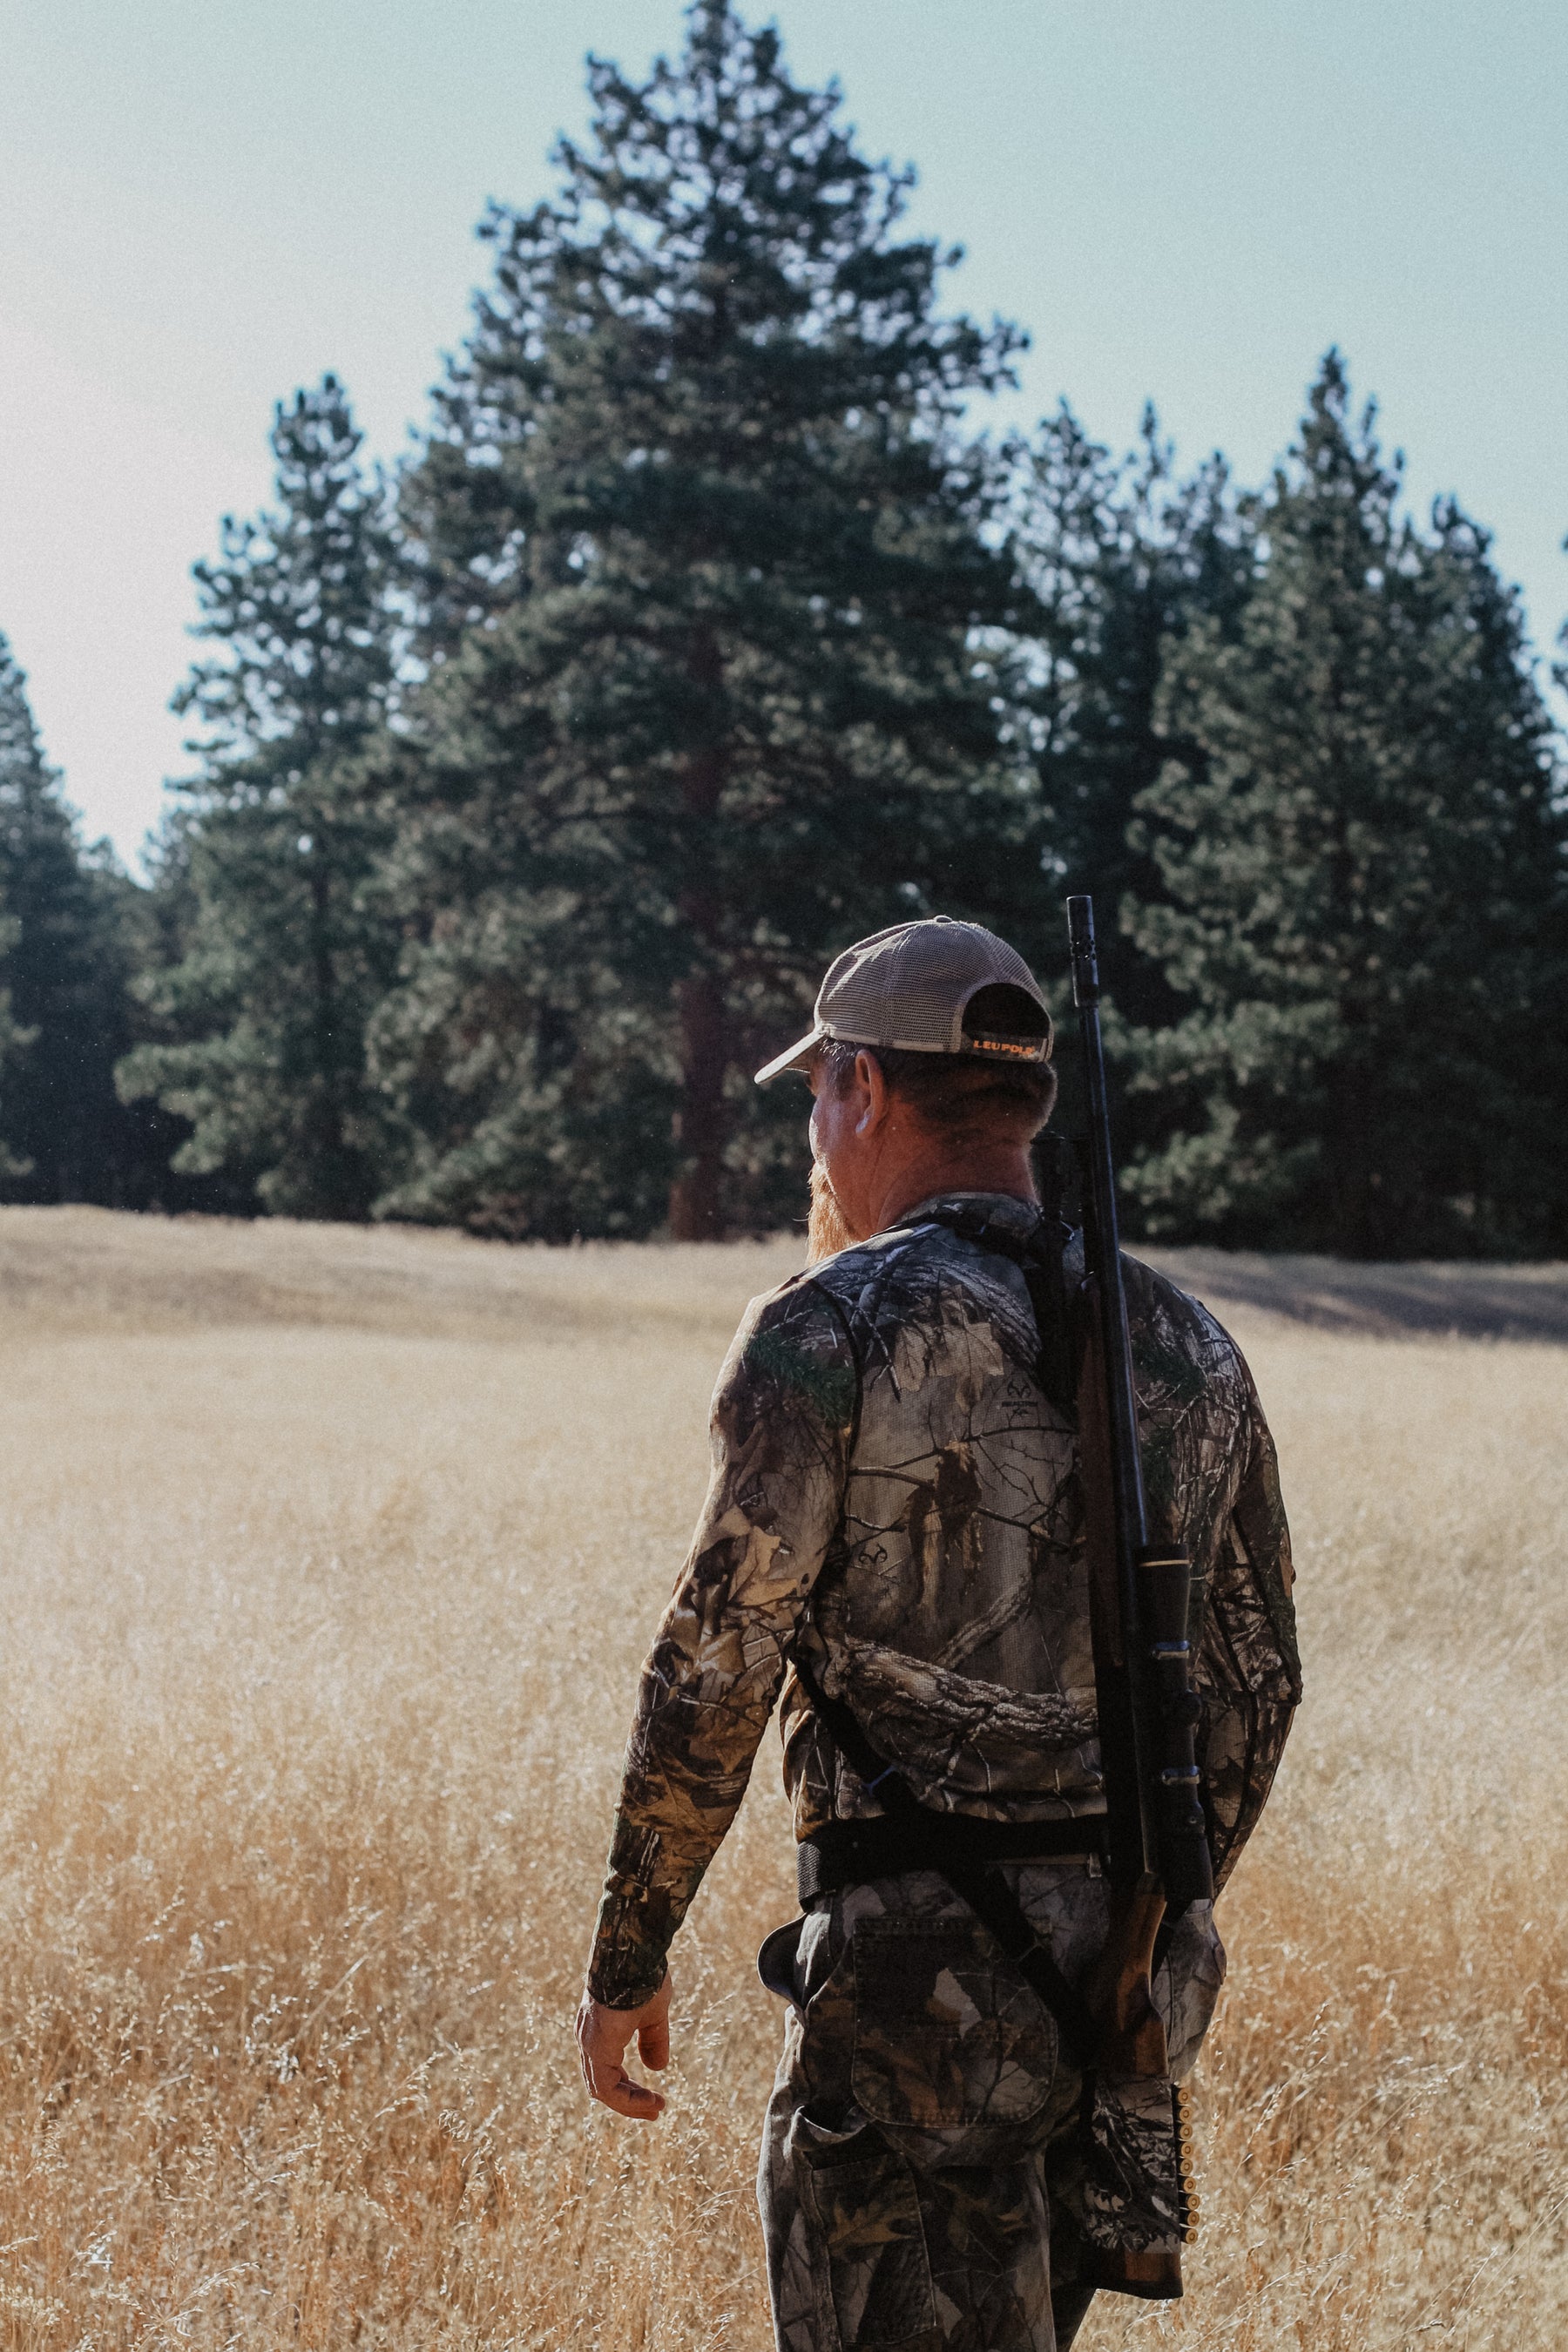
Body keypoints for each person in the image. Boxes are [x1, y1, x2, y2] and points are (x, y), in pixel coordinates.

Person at [577, 916, 1300, 2351]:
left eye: (814, 1094)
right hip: (1121, 2019)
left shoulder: (827, 1329)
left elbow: (715, 1673)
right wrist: (1151, 1903)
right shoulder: (1190, 1343)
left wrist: (628, 1950)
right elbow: (1260, 1682)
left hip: (902, 2022)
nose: (810, 1133)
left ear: (863, 1088)